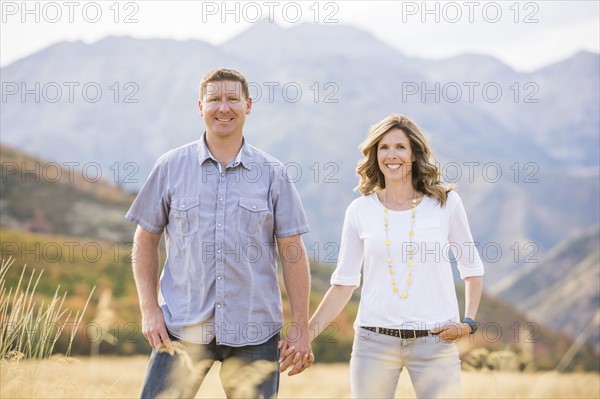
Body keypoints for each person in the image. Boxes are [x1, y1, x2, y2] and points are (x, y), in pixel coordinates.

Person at [126, 67, 313, 399]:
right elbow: (144, 240)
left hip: (255, 332)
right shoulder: (170, 167)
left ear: (248, 105)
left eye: (232, 99)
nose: (223, 108)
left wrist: (300, 326)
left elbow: (292, 252)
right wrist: (149, 309)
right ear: (200, 106)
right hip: (182, 327)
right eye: (214, 99)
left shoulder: (273, 174)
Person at [303, 115, 484, 398]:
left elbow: (472, 269)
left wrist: (468, 323)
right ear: (375, 155)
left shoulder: (445, 203)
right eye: (383, 147)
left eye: (400, 146)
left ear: (413, 154)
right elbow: (343, 284)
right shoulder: (359, 210)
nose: (392, 155)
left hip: (436, 340)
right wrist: (305, 337)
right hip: (373, 342)